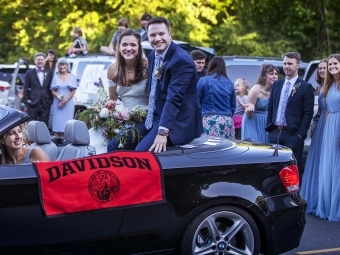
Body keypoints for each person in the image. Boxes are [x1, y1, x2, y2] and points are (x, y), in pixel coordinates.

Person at [108, 16, 202, 153]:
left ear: (169, 34)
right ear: (148, 37)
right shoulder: (153, 56)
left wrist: (163, 132)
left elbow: (174, 99)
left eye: (161, 34)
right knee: (114, 145)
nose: (157, 38)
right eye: (152, 35)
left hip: (176, 122)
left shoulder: (182, 61)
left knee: (141, 152)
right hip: (153, 118)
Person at [91, 29, 148, 153]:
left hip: (145, 119)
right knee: (94, 141)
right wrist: (111, 123)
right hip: (124, 119)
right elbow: (113, 101)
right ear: (119, 47)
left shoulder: (147, 67)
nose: (129, 48)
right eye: (124, 44)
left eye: (133, 44)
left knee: (114, 146)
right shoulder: (113, 69)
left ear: (139, 47)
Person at [266, 52, 314, 177]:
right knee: (273, 169)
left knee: (292, 170)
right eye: (285, 63)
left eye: (290, 64)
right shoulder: (277, 84)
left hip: (293, 134)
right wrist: (268, 129)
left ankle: (293, 196)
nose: (286, 66)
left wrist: (300, 135)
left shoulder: (305, 87)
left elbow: (307, 113)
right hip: (275, 132)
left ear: (297, 65)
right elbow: (270, 107)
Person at [301, 59, 327, 215]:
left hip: (332, 125)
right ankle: (317, 198)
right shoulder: (319, 86)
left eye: (325, 68)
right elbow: (318, 112)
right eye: (320, 69)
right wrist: (315, 123)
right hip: (321, 126)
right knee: (318, 162)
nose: (322, 70)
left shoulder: (335, 85)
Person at [315, 54, 340, 221]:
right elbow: (327, 111)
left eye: (335, 64)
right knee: (329, 166)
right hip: (329, 126)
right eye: (330, 64)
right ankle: (328, 204)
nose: (332, 67)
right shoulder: (328, 85)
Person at [197, 56, 236, 139]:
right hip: (227, 121)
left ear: (211, 66)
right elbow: (233, 106)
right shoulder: (230, 83)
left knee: (209, 148)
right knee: (227, 149)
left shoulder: (203, 80)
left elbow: (196, 102)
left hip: (209, 120)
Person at [242, 64, 279, 143]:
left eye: (276, 74)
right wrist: (250, 109)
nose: (275, 76)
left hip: (267, 123)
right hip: (253, 122)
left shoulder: (276, 90)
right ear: (264, 76)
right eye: (271, 74)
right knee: (255, 147)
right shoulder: (256, 89)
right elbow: (248, 113)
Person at [23, 52, 54, 127]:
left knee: (44, 125)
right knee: (32, 125)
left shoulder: (49, 73)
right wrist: (27, 101)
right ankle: (32, 139)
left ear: (44, 61)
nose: (40, 61)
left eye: (41, 60)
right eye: (38, 60)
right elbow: (26, 88)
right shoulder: (29, 73)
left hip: (45, 104)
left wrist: (50, 101)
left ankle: (43, 139)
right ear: (35, 61)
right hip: (32, 103)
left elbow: (51, 87)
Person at [50, 58, 78, 139]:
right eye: (61, 65)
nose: (62, 67)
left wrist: (65, 100)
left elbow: (73, 91)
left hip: (68, 104)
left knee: (67, 125)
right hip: (57, 104)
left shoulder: (72, 76)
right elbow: (52, 91)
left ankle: (67, 142)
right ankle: (57, 142)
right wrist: (60, 98)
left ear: (67, 66)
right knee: (57, 125)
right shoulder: (55, 76)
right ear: (58, 67)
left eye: (64, 65)